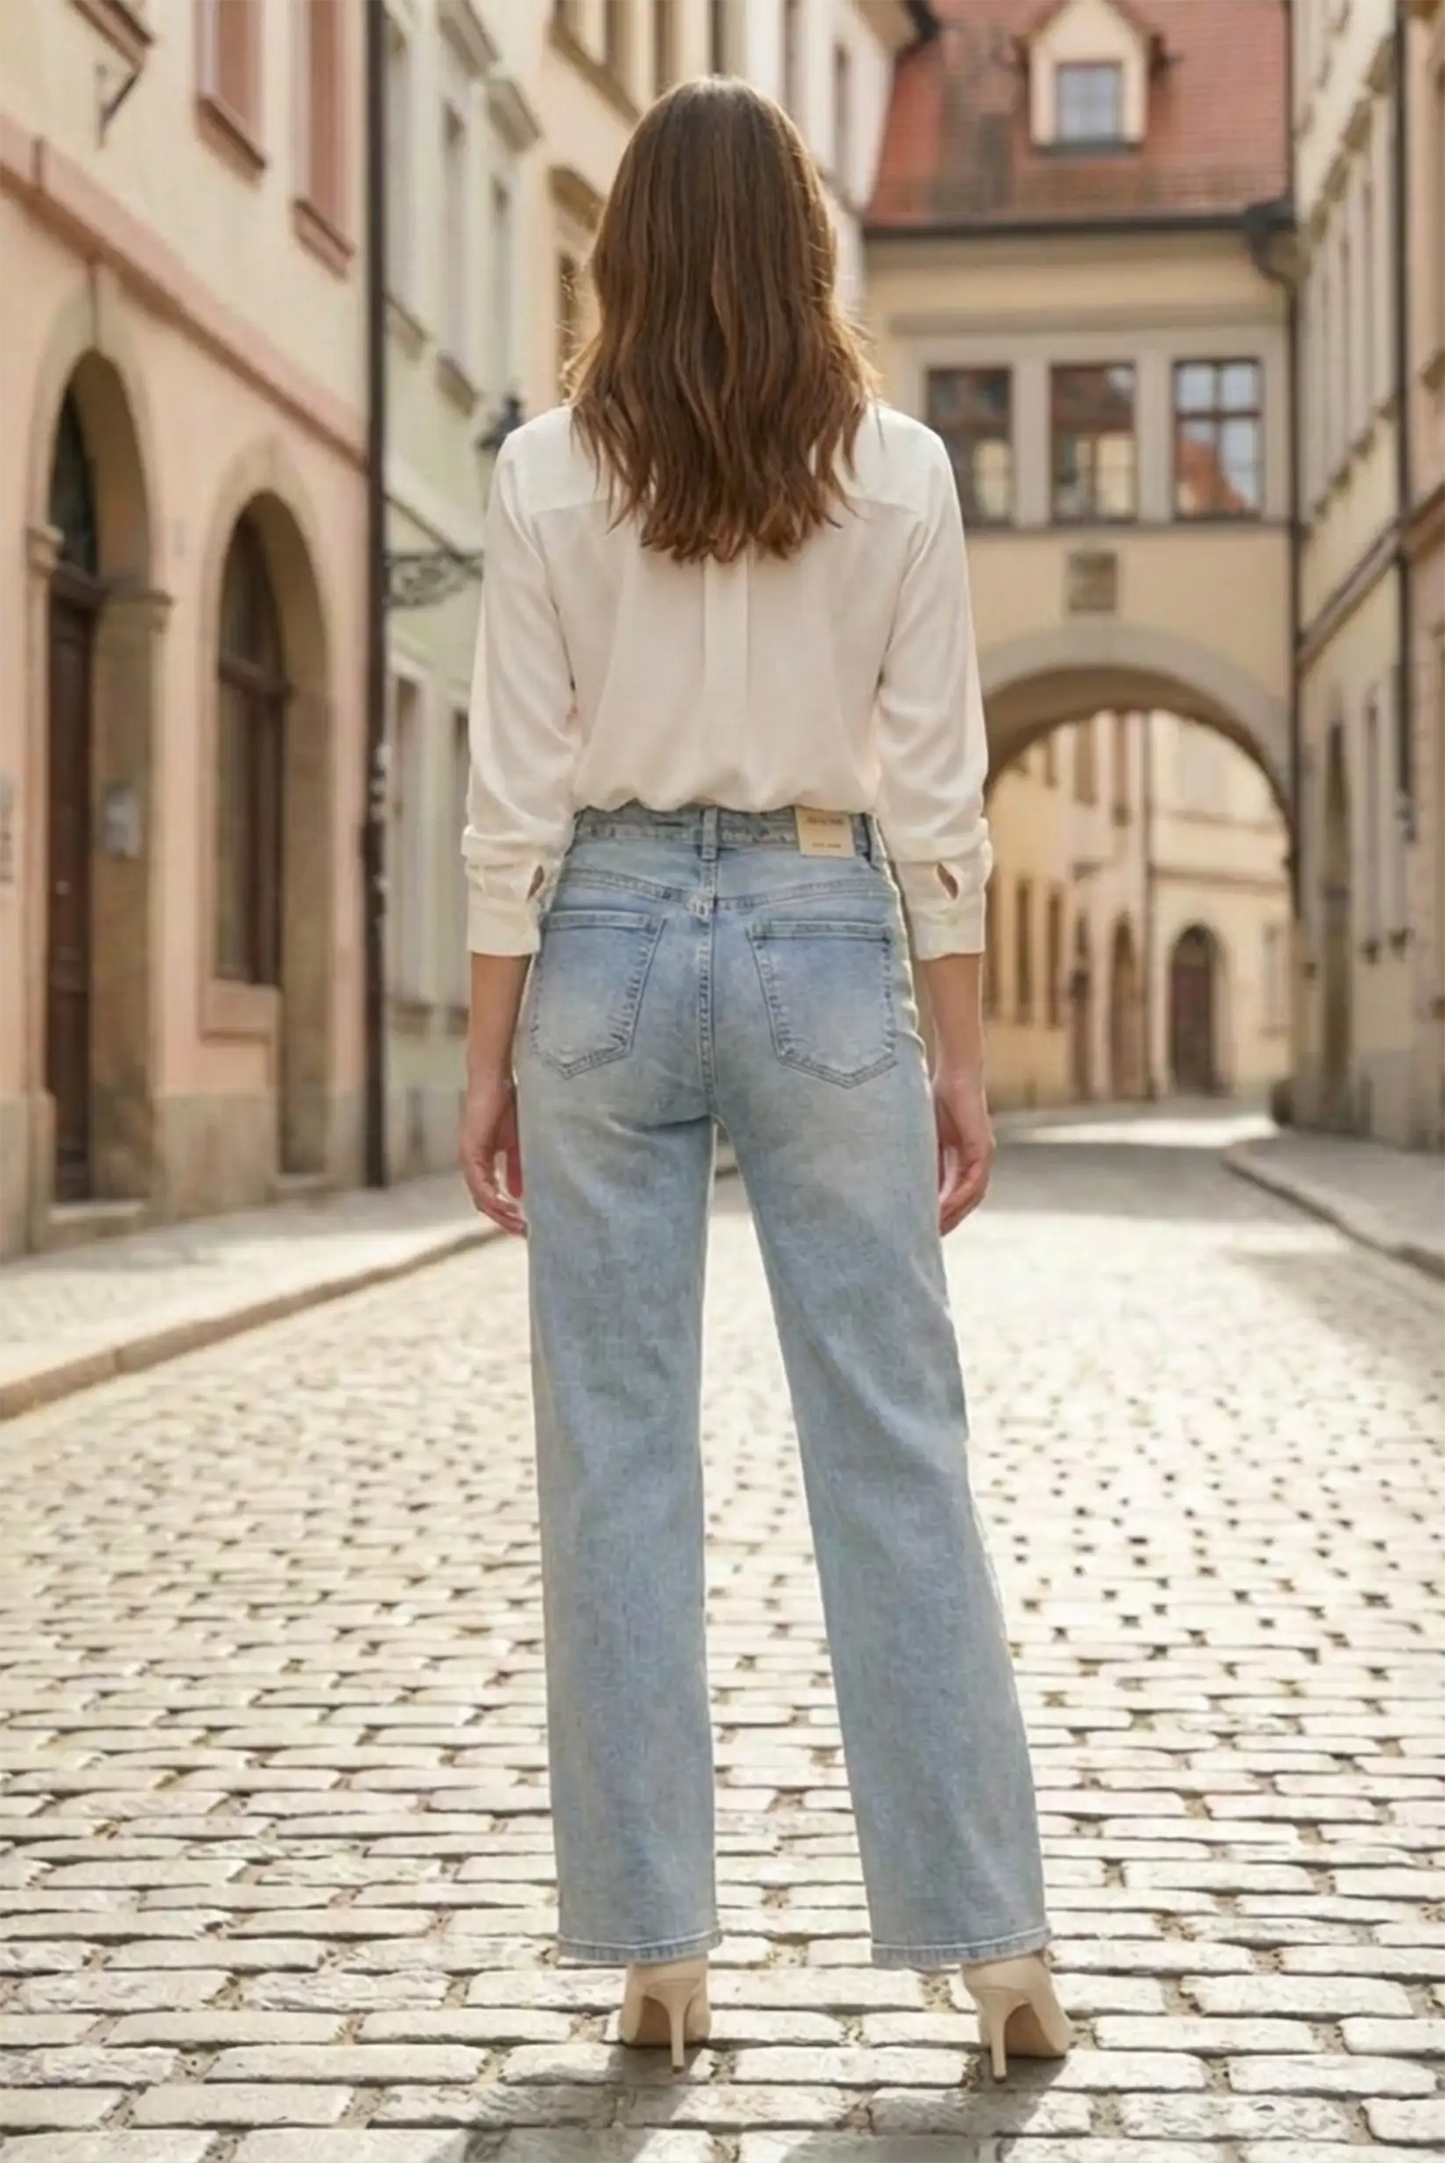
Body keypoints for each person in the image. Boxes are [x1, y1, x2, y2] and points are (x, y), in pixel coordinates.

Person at [458, 77, 1069, 2085]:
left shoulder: (542, 472)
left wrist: (486, 1057)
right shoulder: (897, 470)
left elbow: (512, 797)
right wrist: (959, 1053)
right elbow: (934, 792)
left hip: (604, 946)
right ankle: (994, 1952)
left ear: (617, 251)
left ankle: (653, 1955)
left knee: (613, 1464)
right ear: (807, 249)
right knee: (894, 1446)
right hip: (824, 934)